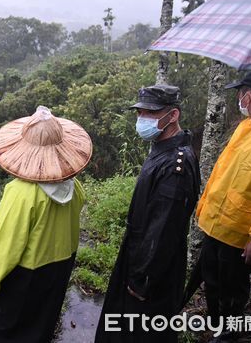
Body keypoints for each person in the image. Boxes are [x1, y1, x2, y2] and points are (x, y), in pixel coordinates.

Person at [95, 85, 201, 343]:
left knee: (141, 331)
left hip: (153, 269)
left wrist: (143, 278)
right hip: (139, 253)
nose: (143, 119)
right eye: (140, 113)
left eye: (150, 113)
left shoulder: (176, 165)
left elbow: (163, 230)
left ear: (173, 115)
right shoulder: (162, 147)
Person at [0, 105, 92, 343]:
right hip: (59, 269)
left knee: (9, 332)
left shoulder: (20, 193)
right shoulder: (74, 185)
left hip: (24, 278)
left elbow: (6, 247)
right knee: (41, 327)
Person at [195, 71, 251, 341]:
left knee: (231, 290)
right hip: (217, 223)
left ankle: (227, 335)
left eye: (241, 92)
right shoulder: (247, 125)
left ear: (250, 95)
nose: (238, 97)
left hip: (240, 233)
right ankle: (214, 326)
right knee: (212, 279)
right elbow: (224, 172)